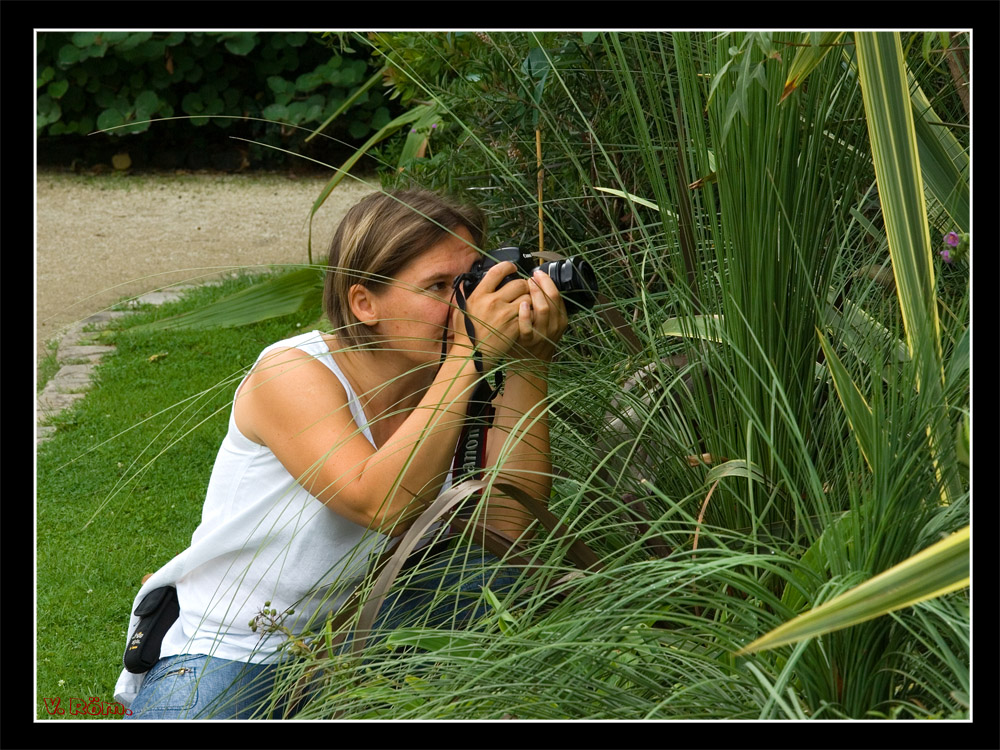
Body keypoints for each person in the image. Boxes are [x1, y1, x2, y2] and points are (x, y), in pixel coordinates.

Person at [115, 188, 569, 719]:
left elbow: (507, 531)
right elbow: (380, 504)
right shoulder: (291, 372)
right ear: (364, 303)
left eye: (469, 282)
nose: (464, 305)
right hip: (236, 646)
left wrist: (529, 363)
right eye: (438, 286)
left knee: (494, 580)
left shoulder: (454, 373)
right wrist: (470, 358)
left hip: (362, 640)